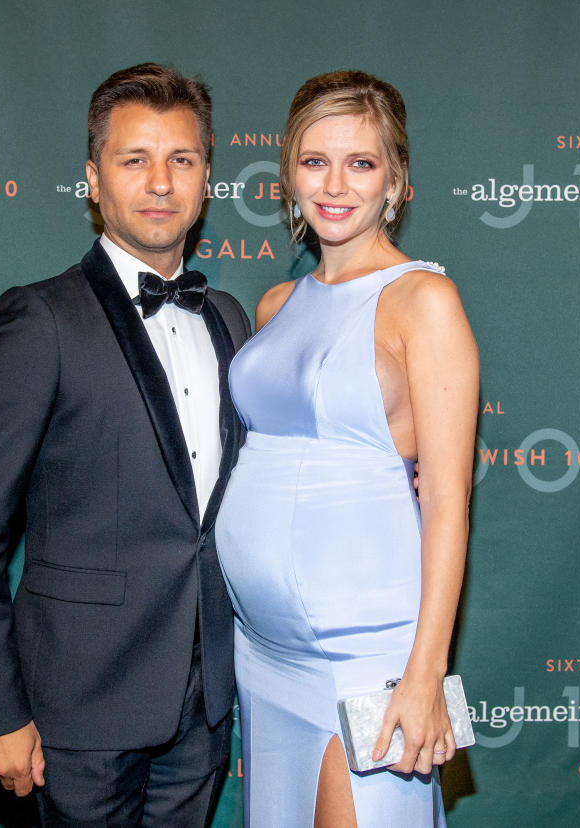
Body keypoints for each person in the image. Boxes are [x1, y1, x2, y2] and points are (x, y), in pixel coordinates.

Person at [0, 63, 251, 827]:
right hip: (72, 713)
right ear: (92, 178)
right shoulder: (40, 320)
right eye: (133, 159)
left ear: (207, 176)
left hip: (202, 706)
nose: (161, 182)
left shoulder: (230, 319)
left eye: (182, 159)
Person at [215, 71, 478, 827]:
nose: (335, 185)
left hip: (367, 661)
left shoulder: (424, 302)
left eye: (361, 163)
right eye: (314, 160)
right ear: (288, 173)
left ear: (395, 178)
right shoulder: (277, 304)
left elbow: (449, 503)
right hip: (261, 656)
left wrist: (425, 675)